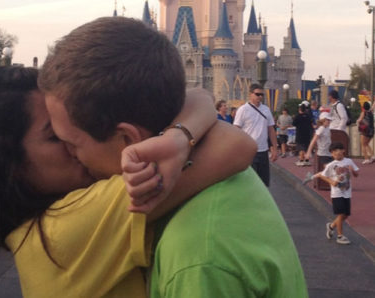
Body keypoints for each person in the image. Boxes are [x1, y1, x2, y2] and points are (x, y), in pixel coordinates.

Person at [40, 17, 307, 297]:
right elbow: (210, 110)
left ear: (128, 139)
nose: (68, 156)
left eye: (71, 144)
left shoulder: (198, 258)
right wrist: (182, 135)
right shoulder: (210, 172)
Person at [0, 67, 254, 298]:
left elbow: (198, 94)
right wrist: (179, 138)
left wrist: (179, 134)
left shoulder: (31, 236)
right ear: (8, 167)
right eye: (56, 136)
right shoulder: (64, 230)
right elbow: (234, 145)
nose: (79, 137)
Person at [233, 83, 278, 186]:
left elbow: (271, 130)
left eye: (262, 95)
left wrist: (275, 149)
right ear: (250, 94)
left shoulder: (266, 109)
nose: (260, 97)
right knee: (250, 184)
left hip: (263, 151)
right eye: (257, 94)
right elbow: (236, 130)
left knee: (263, 183)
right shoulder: (243, 110)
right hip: (248, 151)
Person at [317, 142, 359, 245]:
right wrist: (332, 182)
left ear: (343, 150)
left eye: (339, 150)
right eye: (334, 151)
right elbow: (322, 175)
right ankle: (340, 236)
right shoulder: (331, 165)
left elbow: (356, 174)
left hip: (347, 192)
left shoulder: (349, 161)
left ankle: (331, 226)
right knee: (341, 214)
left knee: (346, 215)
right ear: (331, 154)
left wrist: (353, 170)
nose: (337, 152)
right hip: (337, 193)